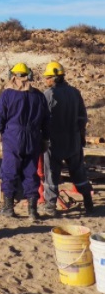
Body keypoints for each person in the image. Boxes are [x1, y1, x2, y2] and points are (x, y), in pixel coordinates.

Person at [0, 62, 50, 221]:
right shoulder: (39, 95)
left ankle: (8, 209)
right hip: (33, 138)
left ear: (12, 76)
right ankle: (33, 211)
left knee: (9, 171)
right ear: (29, 75)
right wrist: (45, 139)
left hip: (13, 137)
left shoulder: (7, 95)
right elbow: (46, 120)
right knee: (31, 172)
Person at [41, 61, 93, 216]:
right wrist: (82, 137)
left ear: (54, 78)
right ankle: (88, 202)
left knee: (51, 173)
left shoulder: (48, 95)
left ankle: (50, 206)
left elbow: (42, 120)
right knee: (78, 172)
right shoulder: (75, 93)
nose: (46, 80)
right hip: (73, 141)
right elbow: (82, 117)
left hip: (54, 143)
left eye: (48, 77)